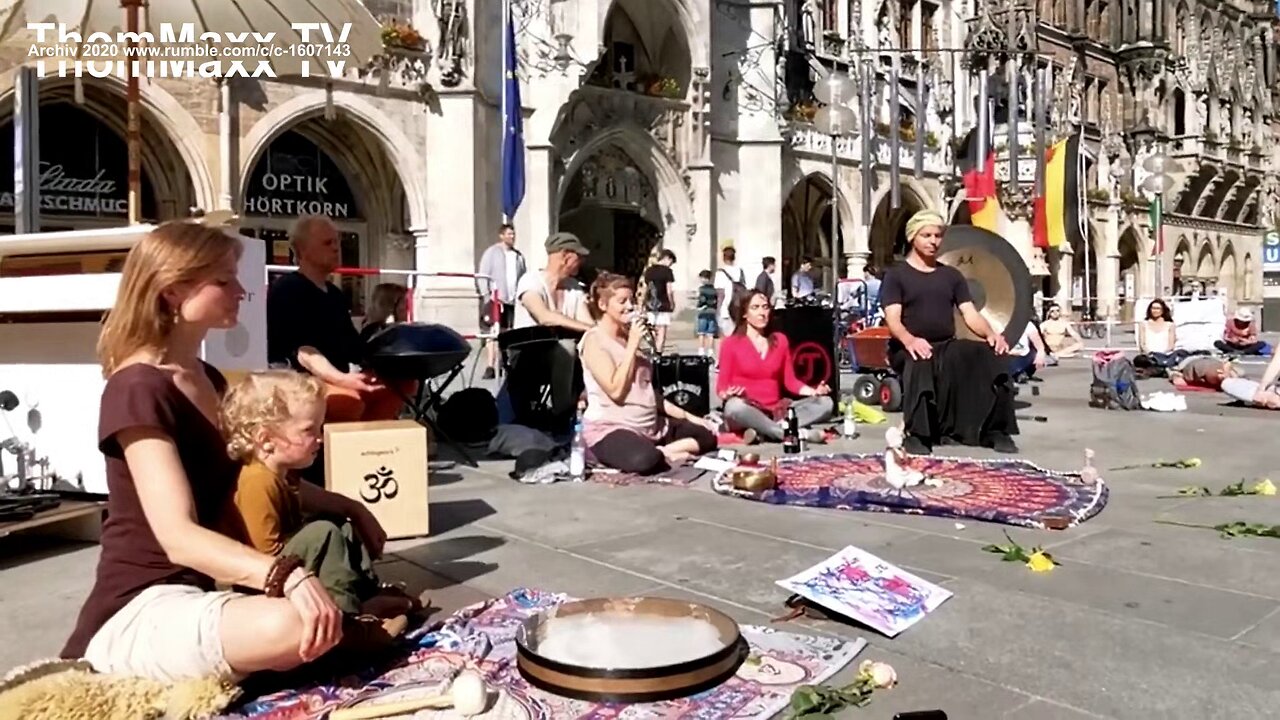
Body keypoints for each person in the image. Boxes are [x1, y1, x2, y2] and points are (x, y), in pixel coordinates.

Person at [64, 222, 363, 682]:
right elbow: (176, 537)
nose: (240, 290)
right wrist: (286, 575)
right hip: (141, 605)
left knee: (323, 608)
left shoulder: (208, 378)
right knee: (301, 621)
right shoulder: (138, 387)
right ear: (172, 291)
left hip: (198, 595)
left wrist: (348, 507)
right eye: (223, 280)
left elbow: (254, 478)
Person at [221, 371, 415, 649]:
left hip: (285, 570)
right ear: (266, 438)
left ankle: (363, 595)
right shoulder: (257, 481)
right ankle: (347, 625)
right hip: (264, 584)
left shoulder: (281, 474)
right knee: (323, 533)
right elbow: (264, 556)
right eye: (308, 430)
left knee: (337, 523)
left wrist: (353, 513)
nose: (319, 438)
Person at [880, 209, 1019, 454]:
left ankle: (995, 431)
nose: (933, 241)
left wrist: (991, 335)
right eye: (926, 235)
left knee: (991, 356)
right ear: (913, 237)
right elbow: (893, 319)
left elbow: (971, 314)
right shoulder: (896, 276)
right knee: (921, 358)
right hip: (906, 347)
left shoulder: (951, 275)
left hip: (946, 345)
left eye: (937, 235)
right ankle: (919, 435)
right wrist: (910, 340)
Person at [267, 215, 402, 423]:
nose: (336, 248)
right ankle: (339, 450)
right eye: (327, 242)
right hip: (300, 381)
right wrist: (343, 380)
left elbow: (354, 349)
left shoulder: (335, 294)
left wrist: (394, 351)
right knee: (347, 402)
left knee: (399, 387)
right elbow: (304, 353)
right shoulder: (287, 289)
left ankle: (366, 448)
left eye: (337, 241)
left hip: (336, 378)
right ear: (303, 250)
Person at [579, 273, 718, 474]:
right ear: (603, 305)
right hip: (612, 427)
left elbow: (649, 394)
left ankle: (664, 451)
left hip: (652, 426)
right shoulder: (594, 340)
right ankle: (655, 453)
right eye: (622, 301)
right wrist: (633, 344)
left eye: (632, 300)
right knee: (644, 460)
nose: (630, 307)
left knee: (706, 435)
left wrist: (693, 418)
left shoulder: (627, 338)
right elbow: (616, 390)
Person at [717, 290, 835, 444]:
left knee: (826, 403)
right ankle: (792, 434)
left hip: (776, 411)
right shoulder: (730, 344)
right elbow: (721, 387)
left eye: (765, 307)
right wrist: (728, 394)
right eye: (755, 307)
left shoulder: (780, 340)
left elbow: (790, 381)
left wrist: (814, 392)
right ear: (745, 314)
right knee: (734, 407)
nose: (762, 313)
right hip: (747, 409)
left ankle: (766, 431)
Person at [513, 232, 593, 332]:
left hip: (567, 346)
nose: (582, 261)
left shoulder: (574, 286)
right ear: (566, 256)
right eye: (579, 256)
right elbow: (544, 317)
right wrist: (588, 328)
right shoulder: (531, 280)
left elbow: (586, 321)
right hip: (530, 345)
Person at [477, 223, 527, 379]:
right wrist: (487, 296)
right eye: (509, 234)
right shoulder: (492, 253)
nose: (512, 237)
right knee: (493, 332)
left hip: (512, 301)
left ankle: (506, 362)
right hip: (495, 300)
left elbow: (523, 276)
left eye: (513, 234)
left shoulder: (518, 256)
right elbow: (483, 274)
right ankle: (491, 366)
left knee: (509, 332)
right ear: (501, 235)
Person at [642, 249, 677, 353]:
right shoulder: (667, 271)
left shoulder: (649, 270)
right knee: (662, 329)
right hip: (663, 304)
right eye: (671, 262)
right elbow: (669, 290)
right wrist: (672, 303)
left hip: (650, 303)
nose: (670, 265)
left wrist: (642, 303)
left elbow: (645, 288)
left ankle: (653, 348)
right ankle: (659, 352)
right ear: (667, 258)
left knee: (652, 328)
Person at [1136, 298, 1184, 370]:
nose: (1155, 311)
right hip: (1148, 356)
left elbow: (1171, 345)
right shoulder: (1143, 324)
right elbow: (1142, 344)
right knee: (1140, 360)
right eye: (1153, 308)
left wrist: (1161, 355)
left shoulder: (1170, 325)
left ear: (1162, 310)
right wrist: (1150, 354)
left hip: (1165, 355)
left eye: (1158, 308)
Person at [714, 246, 748, 339]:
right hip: (738, 308)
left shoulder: (720, 272)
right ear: (734, 257)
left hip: (725, 309)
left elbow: (720, 293)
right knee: (738, 336)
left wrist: (718, 311)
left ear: (723, 257)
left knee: (725, 338)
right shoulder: (740, 271)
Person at [695, 269, 718, 358]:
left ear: (704, 278)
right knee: (711, 334)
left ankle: (701, 350)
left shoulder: (701, 289)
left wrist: (698, 306)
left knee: (701, 333)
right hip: (712, 312)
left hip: (703, 312)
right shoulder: (714, 289)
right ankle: (711, 350)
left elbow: (701, 300)